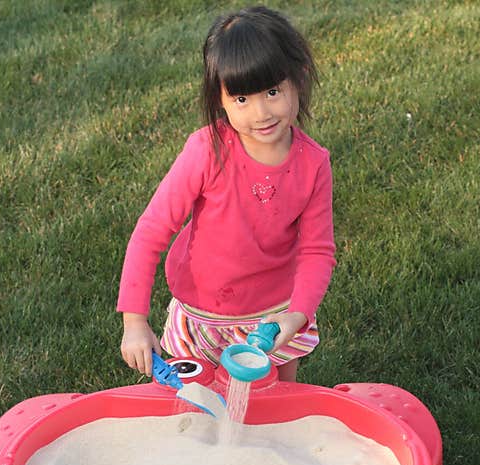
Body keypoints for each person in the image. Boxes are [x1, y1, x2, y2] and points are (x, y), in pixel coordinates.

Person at [117, 5, 336, 383]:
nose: (261, 112)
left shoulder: (313, 163)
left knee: (276, 408)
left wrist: (296, 314)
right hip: (203, 312)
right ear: (219, 98)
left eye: (272, 92)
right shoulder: (207, 151)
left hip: (273, 316)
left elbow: (318, 250)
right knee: (193, 410)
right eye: (241, 100)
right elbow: (152, 231)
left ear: (298, 80)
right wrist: (134, 322)